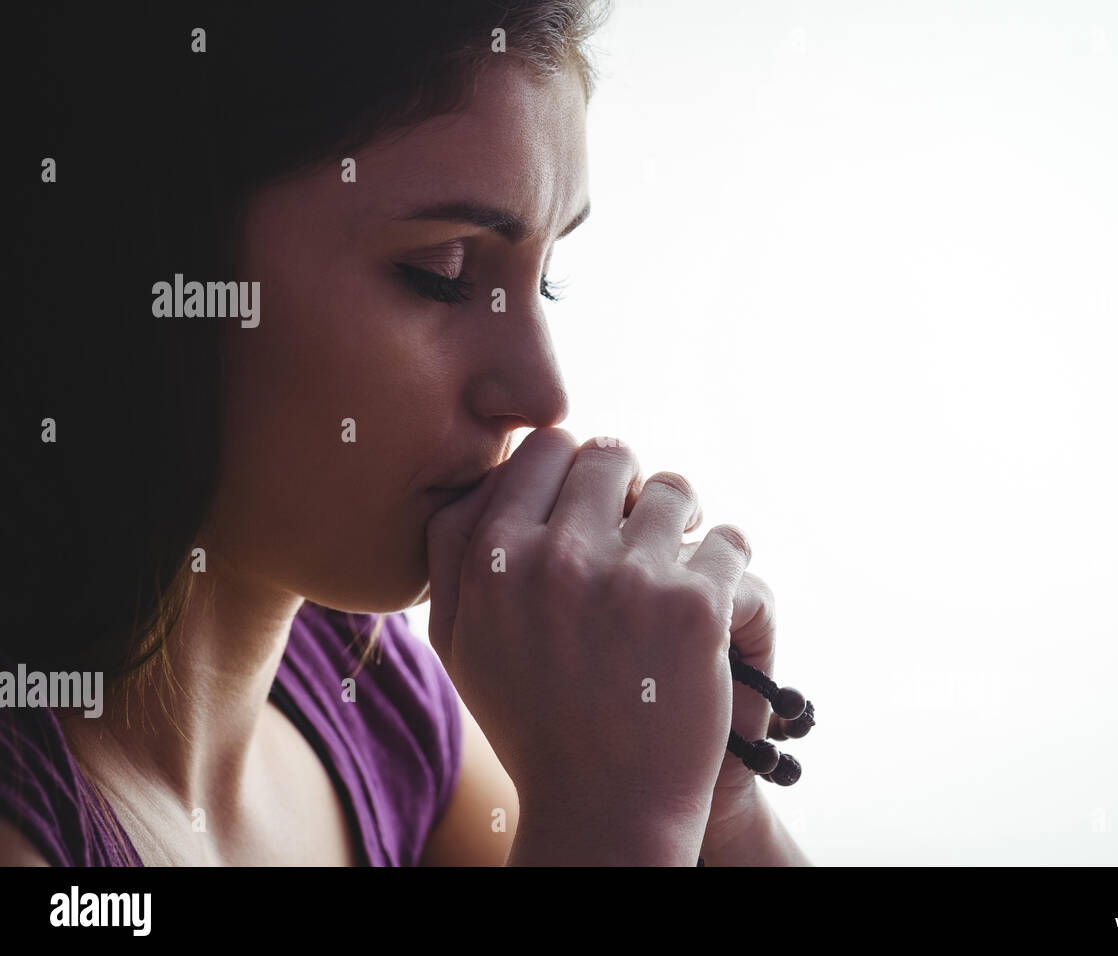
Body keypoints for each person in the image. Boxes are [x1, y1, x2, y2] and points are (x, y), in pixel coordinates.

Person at [0, 0, 811, 866]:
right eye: (442, 272)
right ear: (143, 264)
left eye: (547, 283)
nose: (543, 395)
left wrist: (709, 802)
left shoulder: (377, 702)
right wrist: (621, 817)